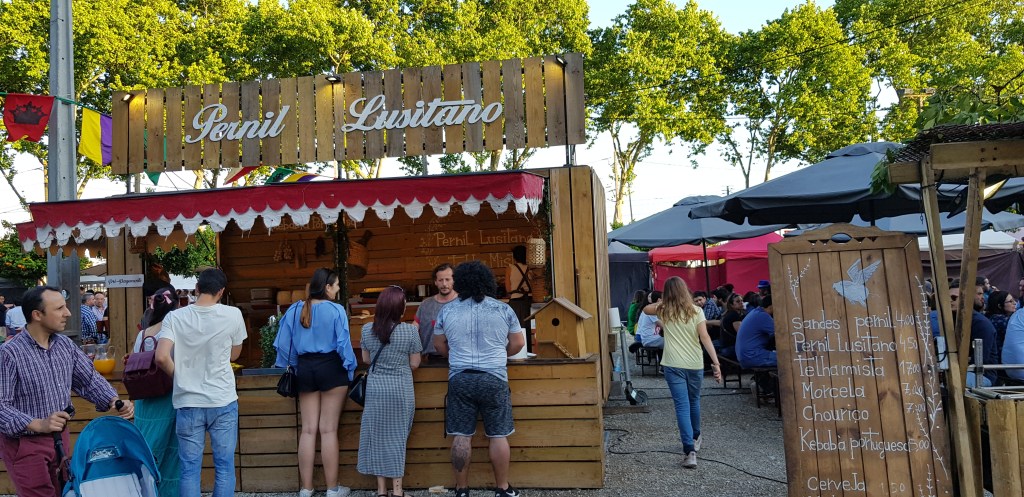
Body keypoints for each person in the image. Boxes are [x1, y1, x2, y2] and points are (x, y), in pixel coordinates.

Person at [0, 285, 134, 496]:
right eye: (59, 308)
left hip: (60, 439)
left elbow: (89, 380)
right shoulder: (9, 353)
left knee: (65, 491)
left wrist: (115, 401)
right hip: (24, 443)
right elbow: (1, 406)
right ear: (37, 315)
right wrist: (39, 424)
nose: (68, 313)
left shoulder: (65, 345)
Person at [433, 261, 525, 497]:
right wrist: (499, 355)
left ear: (460, 282)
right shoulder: (504, 310)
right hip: (494, 377)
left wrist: (454, 355)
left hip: (460, 378)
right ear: (488, 281)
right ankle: (502, 489)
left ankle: (462, 490)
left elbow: (439, 345)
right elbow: (518, 343)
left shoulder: (447, 311)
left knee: (461, 435)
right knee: (498, 434)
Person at [155, 268, 247, 497]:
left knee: (189, 470)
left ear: (196, 289)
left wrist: (180, 377)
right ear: (221, 291)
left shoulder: (174, 317)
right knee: (224, 467)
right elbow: (234, 354)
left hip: (188, 402)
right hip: (222, 399)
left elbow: (161, 357)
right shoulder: (233, 314)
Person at [273, 268, 357, 497]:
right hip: (331, 368)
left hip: (305, 369)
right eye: (336, 285)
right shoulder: (336, 310)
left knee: (308, 430)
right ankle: (332, 489)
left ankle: (306, 488)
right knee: (328, 430)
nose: (338, 289)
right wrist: (350, 369)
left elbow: (283, 345)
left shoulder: (294, 309)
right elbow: (344, 346)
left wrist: (295, 366)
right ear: (327, 287)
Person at [358, 286, 422, 497]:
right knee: (397, 438)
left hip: (376, 390)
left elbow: (366, 359)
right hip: (400, 390)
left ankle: (381, 491)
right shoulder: (410, 331)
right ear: (399, 308)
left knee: (377, 437)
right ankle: (397, 491)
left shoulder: (367, 329)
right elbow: (415, 363)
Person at [653, 277, 721, 469]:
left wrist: (662, 304)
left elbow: (645, 309)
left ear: (666, 293)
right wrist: (716, 363)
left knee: (682, 406)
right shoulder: (697, 311)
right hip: (694, 364)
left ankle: (689, 452)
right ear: (685, 290)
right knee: (694, 401)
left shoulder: (664, 310)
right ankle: (696, 436)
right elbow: (705, 337)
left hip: (672, 364)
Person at [132, 286, 181, 497]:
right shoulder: (174, 332)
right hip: (167, 396)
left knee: (147, 449)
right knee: (171, 452)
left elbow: (135, 357)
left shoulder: (143, 334)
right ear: (176, 306)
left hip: (144, 400)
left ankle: (144, 490)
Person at [929, 278, 999, 386]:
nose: (950, 300)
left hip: (981, 375)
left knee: (944, 383)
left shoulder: (981, 324)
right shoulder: (949, 319)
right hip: (957, 370)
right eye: (947, 297)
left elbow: (980, 360)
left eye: (954, 297)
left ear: (966, 300)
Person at [414, 263, 458, 359]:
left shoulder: (463, 302)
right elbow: (414, 328)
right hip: (430, 359)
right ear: (435, 282)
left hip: (458, 359)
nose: (444, 284)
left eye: (447, 279)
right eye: (440, 280)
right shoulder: (426, 304)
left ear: (454, 280)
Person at [736, 295, 776, 369]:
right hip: (752, 356)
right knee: (788, 358)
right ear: (771, 306)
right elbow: (781, 335)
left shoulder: (755, 312)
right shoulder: (763, 316)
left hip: (745, 356)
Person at [505, 246, 532, 351]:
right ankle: (529, 350)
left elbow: (508, 289)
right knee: (529, 328)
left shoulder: (510, 268)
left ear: (515, 256)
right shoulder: (530, 269)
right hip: (528, 302)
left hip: (515, 303)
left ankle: (518, 352)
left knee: (516, 329)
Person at [985, 289, 1015, 360]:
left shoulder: (992, 317)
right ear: (1000, 305)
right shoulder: (1001, 320)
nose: (1014, 303)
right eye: (1010, 301)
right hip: (1001, 359)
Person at [717, 293, 746, 359]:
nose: (741, 303)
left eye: (742, 300)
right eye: (738, 301)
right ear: (731, 305)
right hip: (730, 349)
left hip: (726, 347)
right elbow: (741, 333)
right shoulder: (734, 315)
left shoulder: (731, 313)